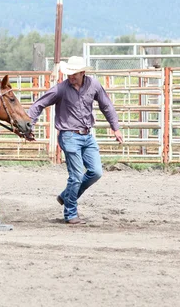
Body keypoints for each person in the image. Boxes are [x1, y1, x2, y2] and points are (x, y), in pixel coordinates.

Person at [27, 56, 124, 225]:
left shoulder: (94, 85)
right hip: (69, 135)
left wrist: (115, 127)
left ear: (83, 73)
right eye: (69, 73)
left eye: (74, 74)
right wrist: (29, 124)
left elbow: (106, 105)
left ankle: (66, 196)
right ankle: (70, 213)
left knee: (96, 172)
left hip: (87, 135)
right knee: (77, 175)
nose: (71, 77)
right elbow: (39, 104)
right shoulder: (61, 89)